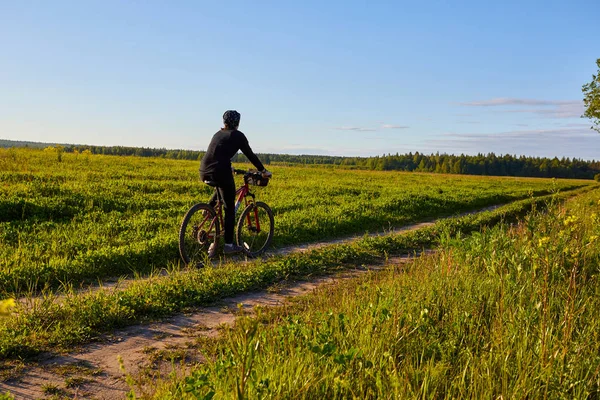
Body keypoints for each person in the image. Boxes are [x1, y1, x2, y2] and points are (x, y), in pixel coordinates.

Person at [199, 110, 271, 255]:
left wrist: (229, 165)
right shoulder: (238, 135)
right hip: (220, 171)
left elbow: (217, 153)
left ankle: (207, 209)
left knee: (220, 188)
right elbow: (250, 154)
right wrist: (262, 170)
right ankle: (228, 245)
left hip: (204, 170)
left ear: (224, 121)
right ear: (237, 122)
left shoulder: (217, 134)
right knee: (229, 208)